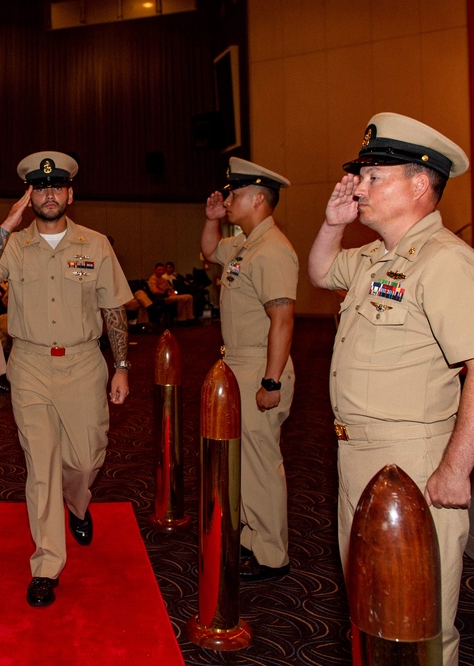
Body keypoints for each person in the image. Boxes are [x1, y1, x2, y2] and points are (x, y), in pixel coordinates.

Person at [306, 112, 474, 666]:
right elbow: (322, 272)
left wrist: (454, 468)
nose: (361, 187)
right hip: (357, 455)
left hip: (413, 460)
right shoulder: (377, 258)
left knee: (416, 622)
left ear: (420, 184)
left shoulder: (446, 263)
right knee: (371, 612)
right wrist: (332, 223)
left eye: (376, 177)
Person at [0, 151, 131, 607]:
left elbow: (113, 309)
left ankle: (78, 504)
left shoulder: (96, 244)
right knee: (41, 467)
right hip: (31, 366)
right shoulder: (15, 246)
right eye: (40, 188)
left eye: (57, 186)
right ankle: (46, 564)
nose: (50, 193)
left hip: (83, 364)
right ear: (29, 195)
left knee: (85, 458)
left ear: (71, 193)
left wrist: (122, 366)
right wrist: (6, 224)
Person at [201, 157, 297, 581]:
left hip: (261, 362)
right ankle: (248, 540)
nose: (227, 200)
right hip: (237, 362)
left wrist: (271, 380)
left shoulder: (272, 249)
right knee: (241, 463)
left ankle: (272, 555)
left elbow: (283, 319)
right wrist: (211, 219)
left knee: (260, 464)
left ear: (258, 198)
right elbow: (208, 251)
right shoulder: (244, 244)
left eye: (234, 194)